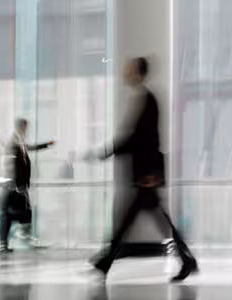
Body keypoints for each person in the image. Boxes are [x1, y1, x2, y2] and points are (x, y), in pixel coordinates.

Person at [90, 57, 200, 282]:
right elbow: (139, 139)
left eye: (129, 70)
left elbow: (142, 139)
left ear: (139, 74)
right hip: (145, 173)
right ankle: (106, 262)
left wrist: (109, 151)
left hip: (146, 174)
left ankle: (107, 262)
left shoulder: (147, 99)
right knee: (138, 220)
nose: (125, 74)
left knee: (138, 220)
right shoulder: (143, 98)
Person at [0, 119, 54, 253]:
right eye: (25, 128)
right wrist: (15, 183)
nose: (27, 131)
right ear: (21, 127)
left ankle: (18, 239)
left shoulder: (19, 141)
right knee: (10, 215)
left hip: (19, 186)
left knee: (23, 213)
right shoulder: (13, 141)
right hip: (14, 186)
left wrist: (46, 145)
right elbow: (11, 163)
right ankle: (6, 242)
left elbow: (29, 148)